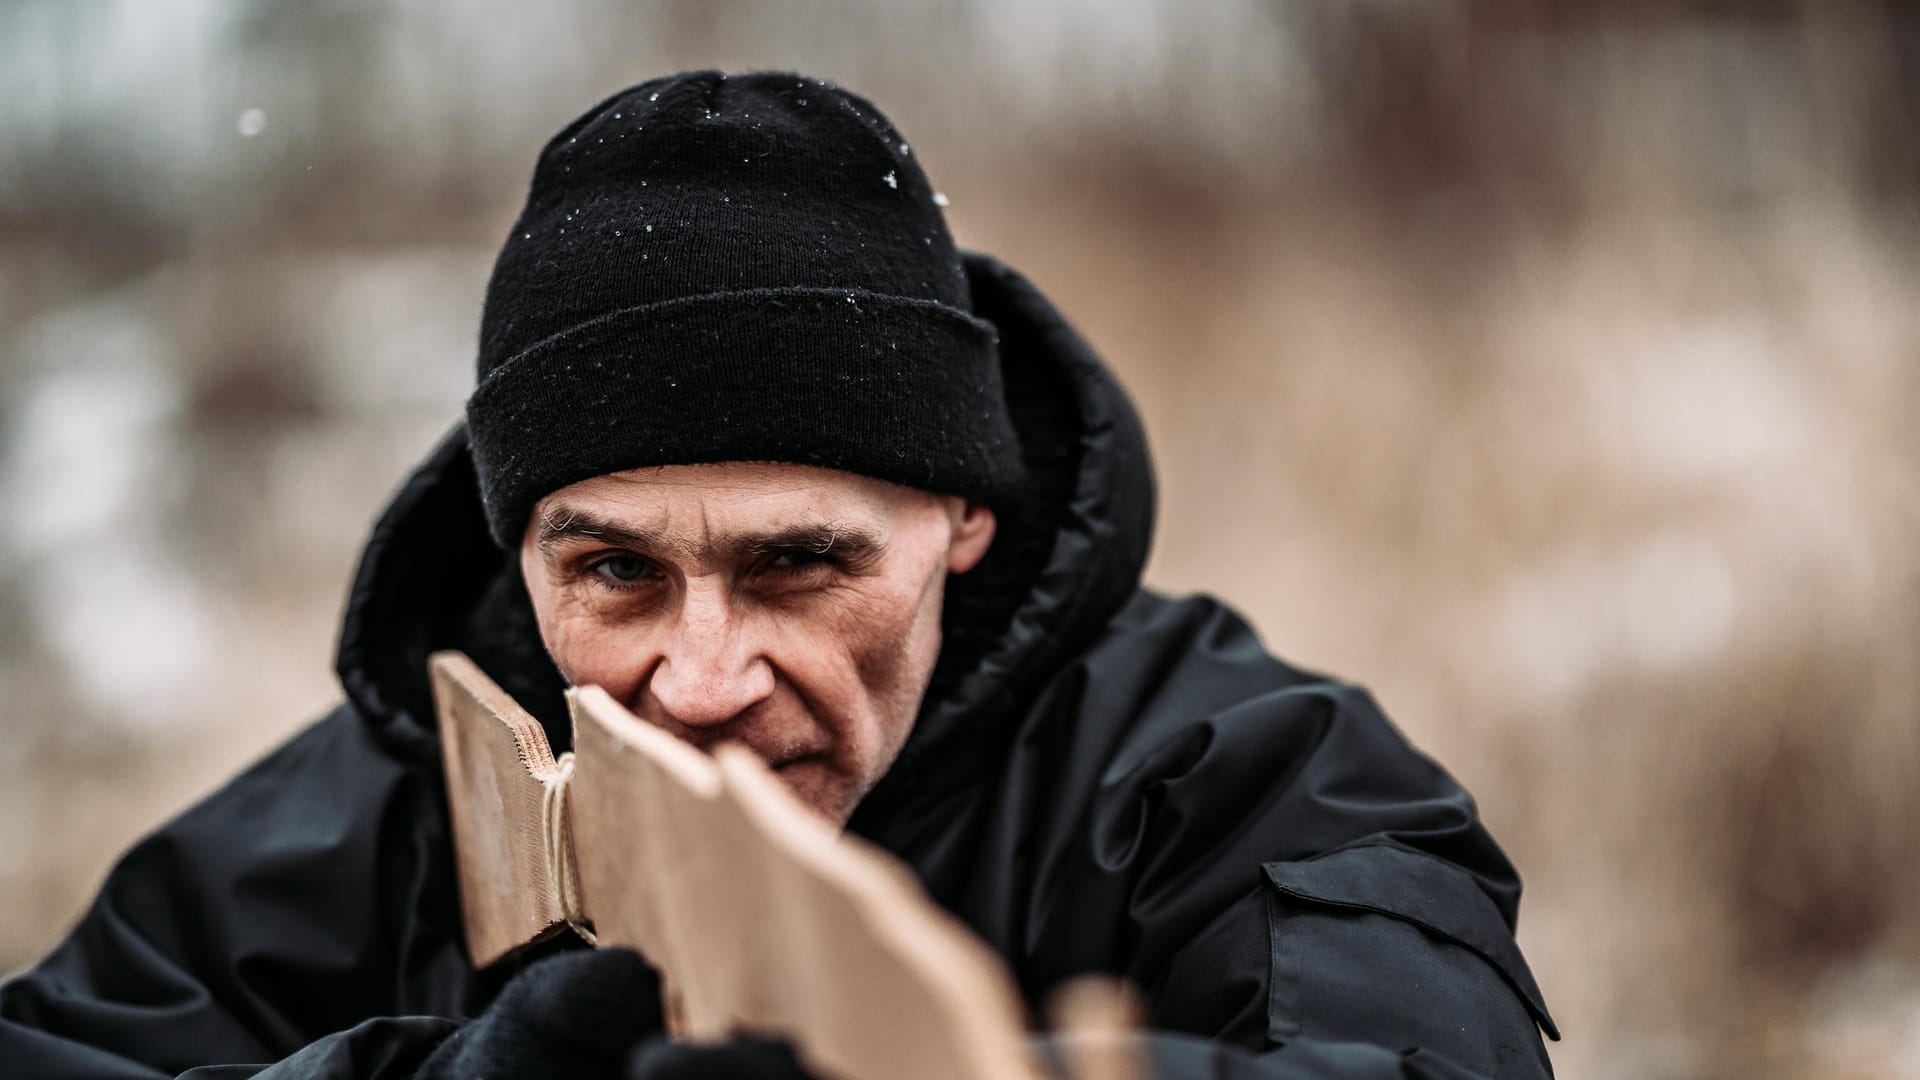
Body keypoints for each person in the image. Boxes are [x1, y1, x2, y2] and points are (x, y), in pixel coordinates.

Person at [0, 70, 1557, 1078]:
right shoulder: (396, 795)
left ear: (965, 516)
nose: (700, 679)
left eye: (801, 565)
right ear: (517, 551)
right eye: (611, 570)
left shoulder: (1248, 777)